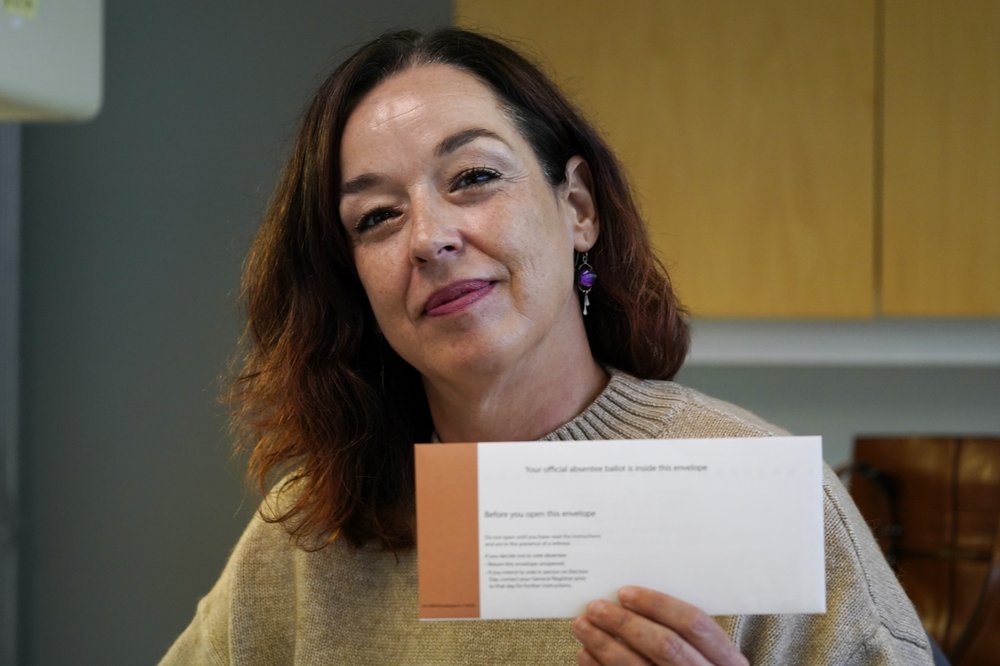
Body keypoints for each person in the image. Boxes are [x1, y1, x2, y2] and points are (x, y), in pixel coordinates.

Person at [161, 28, 933, 665]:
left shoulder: (774, 507)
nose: (430, 238)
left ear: (578, 209)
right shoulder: (308, 534)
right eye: (377, 218)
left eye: (472, 176)